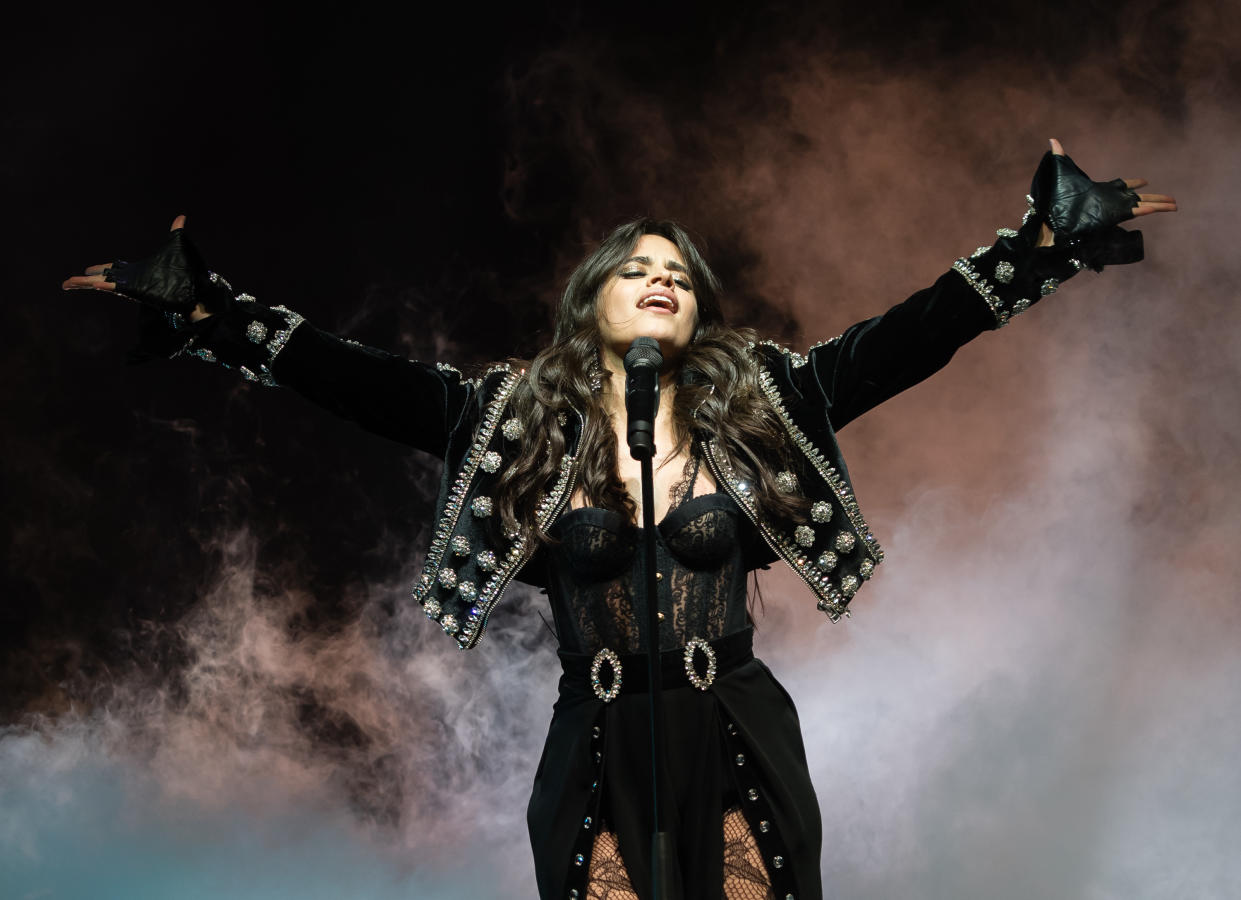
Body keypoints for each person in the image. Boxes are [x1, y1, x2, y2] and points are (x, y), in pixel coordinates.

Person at [63, 140, 1176, 900]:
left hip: (732, 722)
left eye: (679, 277)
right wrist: (208, 310)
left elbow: (912, 334)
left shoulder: (765, 400)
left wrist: (1037, 246)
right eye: (636, 269)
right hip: (595, 731)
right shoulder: (503, 418)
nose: (662, 282)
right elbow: (350, 377)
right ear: (589, 297)